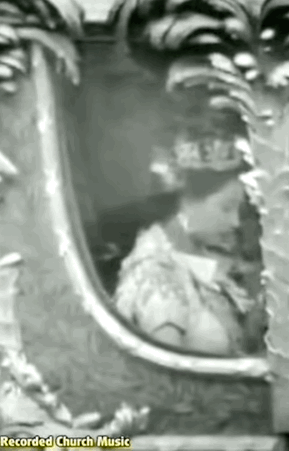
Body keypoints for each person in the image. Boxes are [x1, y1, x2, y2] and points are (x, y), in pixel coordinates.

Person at [113, 131, 265, 356]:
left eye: (238, 210)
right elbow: (169, 370)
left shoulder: (196, 252)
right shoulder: (156, 274)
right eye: (226, 208)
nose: (235, 222)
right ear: (186, 201)